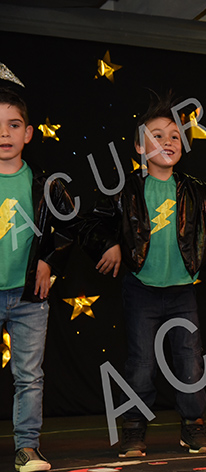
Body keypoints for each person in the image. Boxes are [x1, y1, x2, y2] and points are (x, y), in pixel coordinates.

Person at [82, 94, 206, 457]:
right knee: (141, 363)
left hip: (183, 292)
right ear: (140, 147)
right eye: (157, 136)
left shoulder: (196, 190)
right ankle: (133, 428)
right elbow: (91, 223)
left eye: (174, 136)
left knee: (190, 361)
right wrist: (110, 243)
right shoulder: (126, 190)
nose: (168, 142)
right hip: (142, 290)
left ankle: (193, 425)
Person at [0, 85, 76, 471]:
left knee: (29, 376)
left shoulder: (45, 186)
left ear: (28, 133)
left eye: (13, 125)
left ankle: (27, 448)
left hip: (29, 298)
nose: (4, 134)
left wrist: (49, 260)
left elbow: (68, 228)